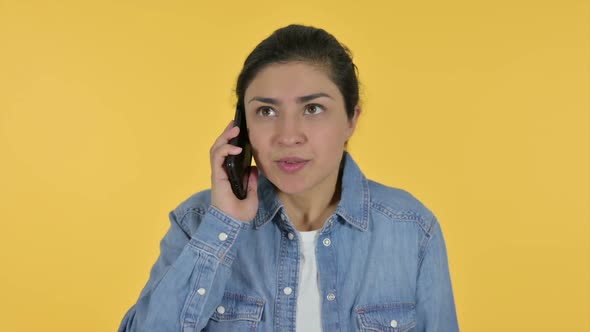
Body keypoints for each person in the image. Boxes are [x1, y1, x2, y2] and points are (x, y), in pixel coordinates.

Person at [118, 24, 459, 332]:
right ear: (243, 127)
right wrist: (223, 226)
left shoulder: (411, 228)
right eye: (266, 111)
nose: (288, 136)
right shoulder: (198, 223)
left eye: (312, 109)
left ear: (351, 119)